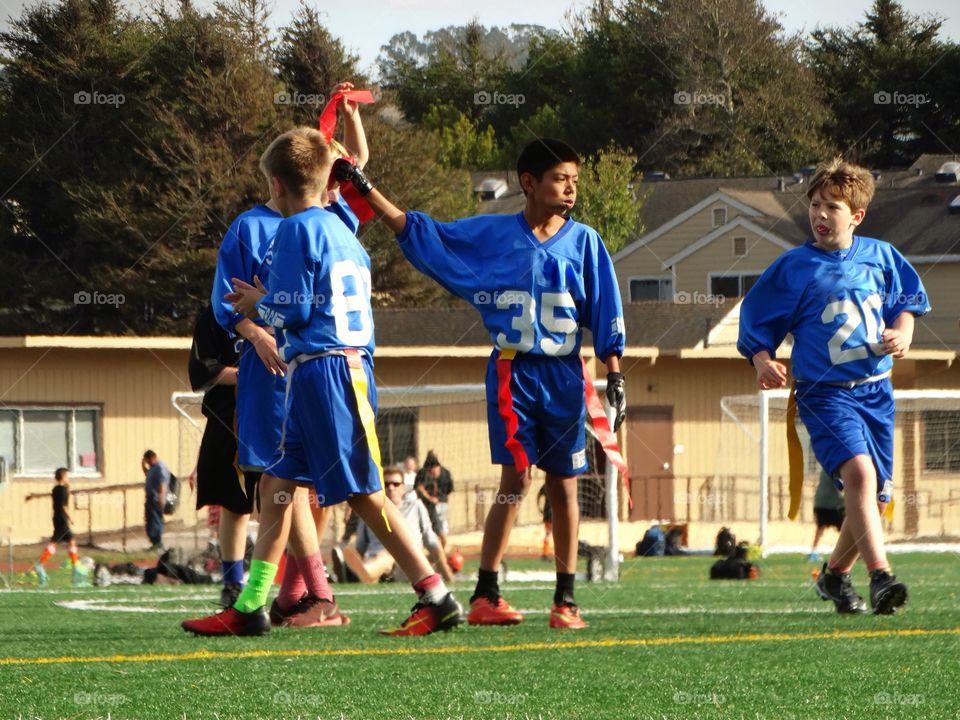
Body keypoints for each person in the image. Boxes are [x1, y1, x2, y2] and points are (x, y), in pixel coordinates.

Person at [181, 125, 462, 637]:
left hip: (331, 369)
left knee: (364, 495)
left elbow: (297, 308)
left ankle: (435, 593)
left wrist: (255, 305)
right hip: (322, 370)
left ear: (277, 186)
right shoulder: (342, 230)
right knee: (277, 484)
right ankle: (250, 606)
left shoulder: (293, 229)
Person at [342, 137, 627, 629]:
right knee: (515, 479)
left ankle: (566, 599)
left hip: (565, 373)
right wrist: (367, 189)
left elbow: (606, 313)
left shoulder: (586, 242)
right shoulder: (493, 235)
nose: (571, 190)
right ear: (529, 183)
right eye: (561, 179)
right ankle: (486, 592)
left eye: (575, 181)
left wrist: (616, 376)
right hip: (514, 371)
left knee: (566, 484)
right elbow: (422, 232)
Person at [206, 82, 367, 627]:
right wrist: (254, 331)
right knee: (285, 485)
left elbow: (354, 164)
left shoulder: (324, 219)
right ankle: (294, 597)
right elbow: (226, 304)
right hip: (276, 369)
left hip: (313, 366)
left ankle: (303, 596)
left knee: (298, 488)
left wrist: (345, 119)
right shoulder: (251, 228)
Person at [738, 157, 929, 615]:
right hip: (823, 393)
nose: (820, 215)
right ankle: (881, 575)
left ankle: (834, 577)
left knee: (873, 495)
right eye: (815, 205)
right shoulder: (794, 267)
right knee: (860, 477)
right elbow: (756, 322)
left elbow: (907, 303)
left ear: (857, 216)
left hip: (876, 390)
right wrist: (762, 360)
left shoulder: (881, 256)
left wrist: (903, 331)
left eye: (833, 208)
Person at [186, 303, 247, 607]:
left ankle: (305, 583)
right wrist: (248, 374)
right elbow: (204, 368)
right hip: (229, 417)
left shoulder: (284, 304)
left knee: (288, 501)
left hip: (280, 414)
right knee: (234, 503)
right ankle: (234, 582)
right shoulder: (216, 314)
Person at [335, 466, 453, 583]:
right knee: (355, 551)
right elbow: (360, 547)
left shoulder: (416, 506)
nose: (391, 488)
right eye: (386, 484)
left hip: (407, 563)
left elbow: (431, 541)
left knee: (391, 554)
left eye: (395, 484)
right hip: (378, 562)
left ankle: (358, 575)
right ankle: (360, 573)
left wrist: (447, 575)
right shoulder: (369, 511)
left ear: (403, 487)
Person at [33, 468, 84, 586]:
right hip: (62, 519)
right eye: (67, 476)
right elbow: (64, 506)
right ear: (63, 477)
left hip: (56, 518)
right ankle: (41, 565)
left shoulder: (55, 489)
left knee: (66, 541)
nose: (69, 478)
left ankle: (75, 566)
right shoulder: (64, 490)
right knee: (62, 541)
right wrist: (71, 518)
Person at [413, 450, 453, 549]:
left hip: (439, 504)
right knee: (431, 528)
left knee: (439, 528)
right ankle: (439, 549)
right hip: (427, 505)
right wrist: (430, 498)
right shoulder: (423, 473)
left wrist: (437, 498)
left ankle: (442, 549)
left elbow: (450, 488)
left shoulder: (444, 473)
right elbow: (419, 488)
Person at [809, 468, 845, 563]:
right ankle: (847, 551)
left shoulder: (825, 467)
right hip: (833, 505)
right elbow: (840, 489)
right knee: (846, 528)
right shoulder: (838, 468)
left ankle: (813, 552)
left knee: (820, 528)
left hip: (819, 503)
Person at [142, 450, 171, 551]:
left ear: (153, 457)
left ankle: (158, 544)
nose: (148, 464)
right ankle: (155, 543)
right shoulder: (153, 468)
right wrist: (142, 464)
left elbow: (162, 484)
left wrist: (161, 499)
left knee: (155, 521)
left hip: (156, 499)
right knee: (150, 521)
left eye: (148, 461)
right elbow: (147, 474)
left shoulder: (160, 468)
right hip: (150, 499)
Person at [537, 483, 553, 561]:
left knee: (548, 534)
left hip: (548, 513)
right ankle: (545, 554)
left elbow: (538, 496)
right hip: (551, 513)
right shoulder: (556, 483)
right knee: (549, 534)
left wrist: (539, 507)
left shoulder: (545, 485)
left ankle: (546, 553)